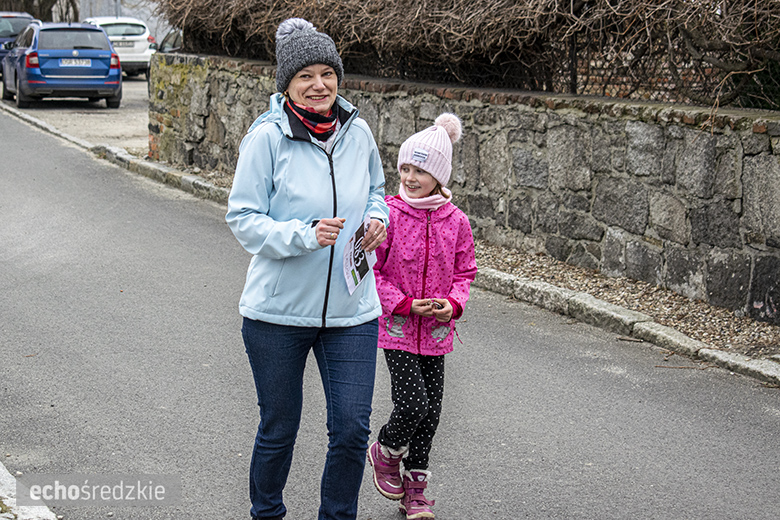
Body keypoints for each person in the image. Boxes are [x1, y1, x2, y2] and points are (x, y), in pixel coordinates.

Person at [225, 17, 389, 520]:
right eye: (305, 76)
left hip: (352, 310)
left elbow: (378, 191)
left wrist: (378, 218)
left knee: (352, 428)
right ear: (287, 84)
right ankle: (266, 513)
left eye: (327, 74)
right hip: (277, 315)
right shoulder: (268, 138)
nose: (319, 85)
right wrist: (303, 234)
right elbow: (242, 219)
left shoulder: (358, 132)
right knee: (279, 427)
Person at [367, 113, 477, 519]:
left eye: (421, 171)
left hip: (435, 331)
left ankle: (415, 489)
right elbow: (372, 271)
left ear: (440, 176)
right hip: (397, 326)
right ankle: (385, 448)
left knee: (431, 412)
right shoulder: (391, 215)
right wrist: (404, 303)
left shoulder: (457, 221)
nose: (410, 178)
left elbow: (466, 272)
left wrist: (454, 303)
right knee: (413, 403)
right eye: (406, 169)